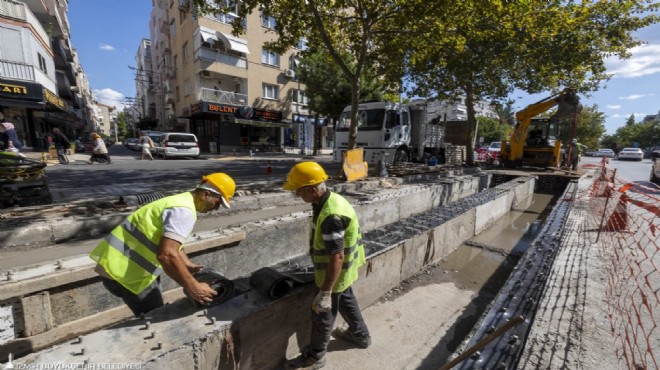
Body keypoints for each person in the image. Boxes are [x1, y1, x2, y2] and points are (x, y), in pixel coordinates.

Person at [89, 173, 236, 316]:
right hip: (127, 273)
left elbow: (169, 240)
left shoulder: (179, 201)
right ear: (205, 195)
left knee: (154, 308)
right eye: (218, 202)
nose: (216, 208)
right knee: (155, 316)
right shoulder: (184, 212)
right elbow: (166, 255)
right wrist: (193, 286)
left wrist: (186, 263)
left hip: (116, 264)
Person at [283, 162, 370, 370]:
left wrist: (325, 292)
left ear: (313, 190)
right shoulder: (329, 200)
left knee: (322, 315)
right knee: (346, 300)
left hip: (335, 272)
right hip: (345, 271)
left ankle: (316, 357)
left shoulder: (331, 215)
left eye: (299, 192)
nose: (298, 196)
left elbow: (337, 256)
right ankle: (361, 336)